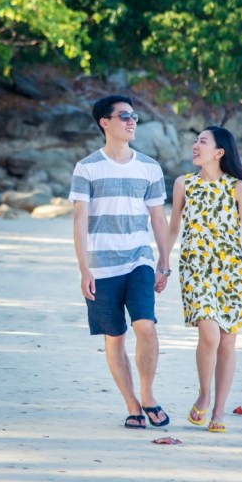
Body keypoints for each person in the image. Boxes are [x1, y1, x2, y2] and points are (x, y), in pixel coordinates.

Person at [165, 125, 242, 433]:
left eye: (202, 142)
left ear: (219, 152)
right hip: (195, 267)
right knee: (209, 334)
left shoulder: (238, 187)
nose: (195, 146)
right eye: (194, 141)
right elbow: (172, 229)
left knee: (228, 341)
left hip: (231, 271)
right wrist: (161, 264)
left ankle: (219, 412)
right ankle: (204, 395)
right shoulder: (184, 184)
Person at [69, 95, 171, 430]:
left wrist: (164, 261)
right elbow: (80, 220)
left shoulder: (149, 167)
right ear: (105, 123)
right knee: (114, 336)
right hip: (100, 265)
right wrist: (83, 268)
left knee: (146, 326)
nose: (131, 122)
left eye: (134, 116)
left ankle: (148, 395)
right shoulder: (87, 167)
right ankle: (131, 404)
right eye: (124, 116)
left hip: (138, 258)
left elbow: (158, 218)